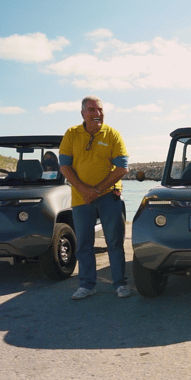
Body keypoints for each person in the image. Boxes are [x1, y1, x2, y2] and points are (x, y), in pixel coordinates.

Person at [59, 96, 130, 300]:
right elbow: (65, 166)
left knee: (114, 242)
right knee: (84, 244)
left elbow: (122, 167)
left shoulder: (112, 134)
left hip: (108, 197)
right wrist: (84, 190)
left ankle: (120, 284)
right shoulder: (72, 134)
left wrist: (97, 190)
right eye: (91, 109)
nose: (97, 113)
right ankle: (87, 285)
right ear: (82, 113)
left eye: (99, 109)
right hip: (82, 199)